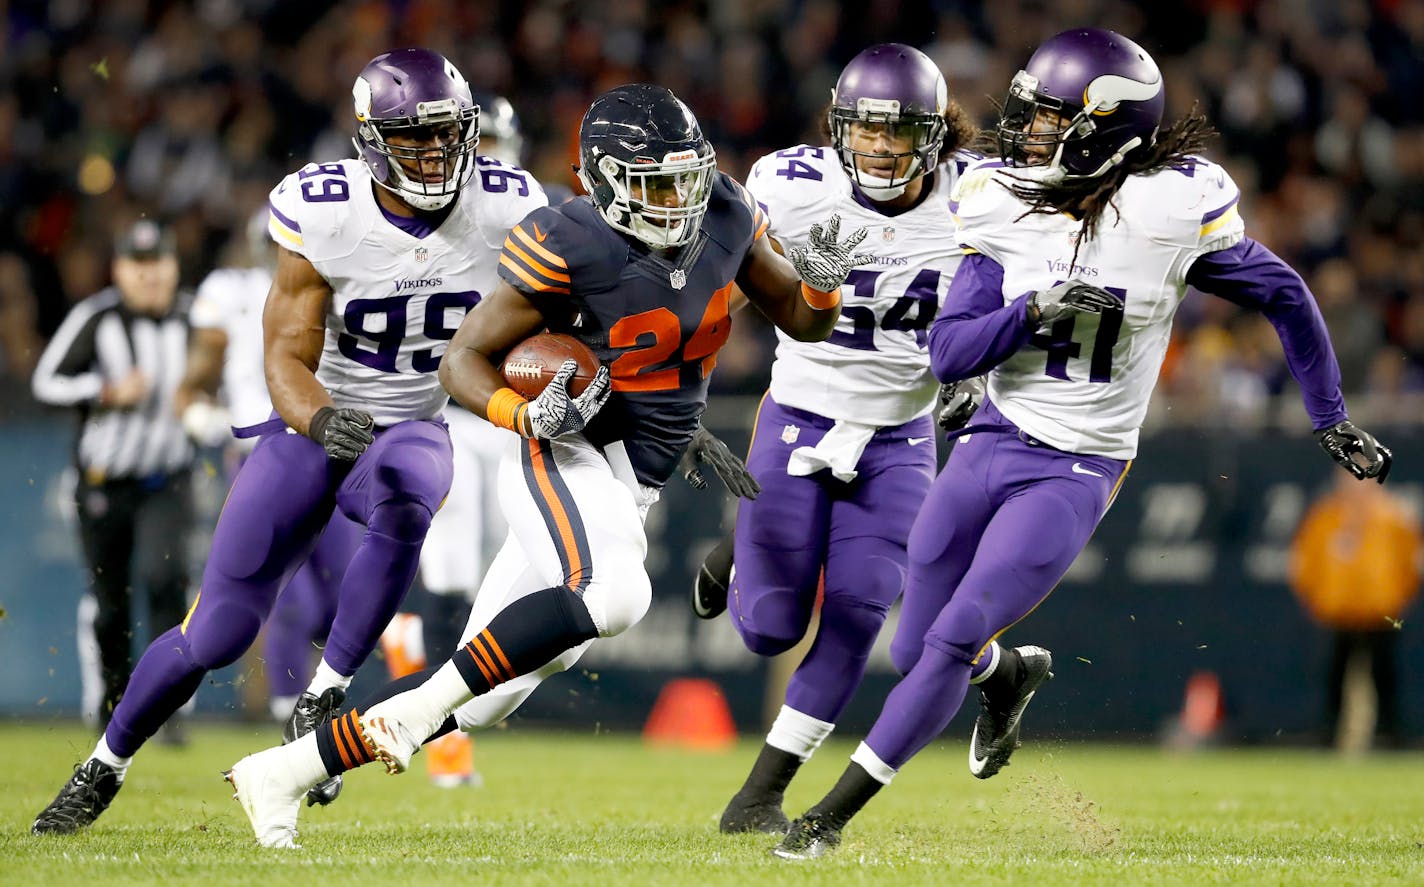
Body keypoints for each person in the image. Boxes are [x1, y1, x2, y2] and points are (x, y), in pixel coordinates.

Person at [772, 28, 1393, 859]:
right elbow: (949, 353)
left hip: (1076, 464)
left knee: (952, 636)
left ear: (1108, 128)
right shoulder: (1000, 200)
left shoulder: (1169, 212)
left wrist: (1329, 413)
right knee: (915, 644)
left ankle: (828, 818)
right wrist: (1029, 314)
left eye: (1051, 119)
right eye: (1031, 114)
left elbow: (1285, 294)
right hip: (990, 438)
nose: (1027, 132)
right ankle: (1009, 674)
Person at [223, 81, 867, 849]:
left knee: (488, 697)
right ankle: (412, 716)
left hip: (636, 478)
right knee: (616, 591)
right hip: (565, 450)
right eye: (654, 182)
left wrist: (824, 284)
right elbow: (462, 359)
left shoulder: (724, 212)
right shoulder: (567, 238)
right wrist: (523, 413)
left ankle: (285, 771)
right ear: (603, 180)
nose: (676, 199)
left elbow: (803, 319)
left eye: (685, 177)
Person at [31, 47, 549, 835]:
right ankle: (105, 761)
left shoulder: (508, 204)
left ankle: (324, 691)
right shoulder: (325, 210)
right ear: (371, 139)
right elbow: (284, 352)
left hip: (410, 421)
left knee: (414, 481)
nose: (439, 154)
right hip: (313, 424)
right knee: (217, 630)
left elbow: (556, 317)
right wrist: (316, 416)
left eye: (451, 135)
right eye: (417, 138)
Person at [686, 44, 981, 835]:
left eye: (900, 131)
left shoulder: (977, 197)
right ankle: (739, 547)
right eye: (867, 129)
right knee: (770, 627)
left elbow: (1007, 303)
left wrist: (976, 371)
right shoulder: (790, 182)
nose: (881, 146)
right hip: (798, 417)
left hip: (900, 436)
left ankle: (759, 794)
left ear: (935, 134)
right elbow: (729, 288)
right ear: (838, 128)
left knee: (857, 613)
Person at [174, 208, 365, 805]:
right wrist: (201, 417)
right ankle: (294, 729)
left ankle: (305, 710)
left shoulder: (341, 282)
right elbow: (193, 380)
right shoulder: (230, 292)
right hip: (263, 450)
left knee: (338, 594)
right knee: (289, 595)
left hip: (329, 446)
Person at [31, 219, 197, 733]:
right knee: (110, 599)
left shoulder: (199, 319)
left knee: (165, 578)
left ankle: (169, 708)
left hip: (169, 477)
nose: (149, 276)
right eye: (137, 265)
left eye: (158, 264)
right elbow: (47, 381)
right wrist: (105, 391)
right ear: (120, 271)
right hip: (104, 481)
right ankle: (112, 703)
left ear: (174, 268)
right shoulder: (96, 317)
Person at [1289, 472, 1420, 750]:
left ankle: (1388, 734)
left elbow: (1410, 565)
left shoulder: (1394, 518)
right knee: (1334, 676)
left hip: (1380, 612)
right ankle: (1328, 733)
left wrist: (1397, 600)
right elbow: (1305, 563)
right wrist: (1317, 600)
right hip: (1338, 612)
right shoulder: (1325, 517)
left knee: (1384, 676)